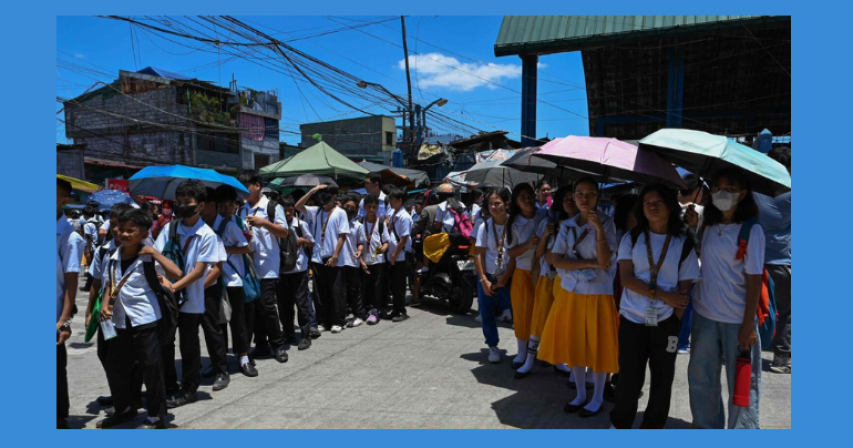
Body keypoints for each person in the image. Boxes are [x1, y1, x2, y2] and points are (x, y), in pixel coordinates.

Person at [609, 184, 701, 429]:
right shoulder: (633, 237)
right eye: (647, 201)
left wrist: (674, 318)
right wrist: (662, 295)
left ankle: (652, 427)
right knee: (629, 377)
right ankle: (620, 424)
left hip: (666, 323)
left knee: (663, 378)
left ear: (671, 206)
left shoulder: (683, 243)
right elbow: (626, 279)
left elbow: (684, 289)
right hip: (632, 319)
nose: (652, 205)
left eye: (658, 200)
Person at [686, 168, 765, 429]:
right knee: (701, 380)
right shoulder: (708, 225)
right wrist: (693, 228)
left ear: (742, 194)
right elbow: (705, 259)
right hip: (704, 316)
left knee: (742, 387)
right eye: (717, 187)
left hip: (737, 321)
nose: (722, 192)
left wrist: (748, 326)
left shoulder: (752, 230)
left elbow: (754, 279)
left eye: (729, 188)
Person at [539, 177, 619, 418]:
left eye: (590, 193)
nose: (585, 198)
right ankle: (581, 393)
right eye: (580, 193)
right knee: (575, 342)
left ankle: (597, 397)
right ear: (573, 197)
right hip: (572, 291)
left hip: (598, 293)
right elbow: (556, 259)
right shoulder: (568, 225)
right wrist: (587, 262)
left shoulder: (607, 223)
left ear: (598, 197)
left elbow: (605, 261)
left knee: (598, 345)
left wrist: (599, 231)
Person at [97, 209, 182, 429]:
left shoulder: (147, 258)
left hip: (145, 320)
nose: (123, 234)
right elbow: (110, 284)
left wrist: (154, 253)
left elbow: (176, 273)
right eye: (121, 229)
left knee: (151, 368)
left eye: (130, 230)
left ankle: (156, 415)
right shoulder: (113, 256)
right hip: (118, 321)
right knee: (116, 368)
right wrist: (105, 305)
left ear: (144, 233)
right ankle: (124, 409)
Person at [154, 180, 221, 408]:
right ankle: (169, 385)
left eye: (187, 203)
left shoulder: (207, 235)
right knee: (165, 342)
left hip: (191, 298)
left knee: (189, 344)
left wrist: (175, 286)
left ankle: (190, 388)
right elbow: (158, 257)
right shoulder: (169, 228)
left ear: (201, 205)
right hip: (167, 296)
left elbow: (200, 271)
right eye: (179, 202)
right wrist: (164, 283)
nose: (182, 206)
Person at [515, 185, 577, 378]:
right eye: (564, 197)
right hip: (547, 277)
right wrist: (548, 235)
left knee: (562, 323)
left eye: (571, 197)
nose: (568, 200)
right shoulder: (548, 222)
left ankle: (558, 360)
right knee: (540, 319)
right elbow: (541, 253)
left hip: (569, 281)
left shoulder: (581, 224)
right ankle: (529, 361)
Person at [237, 172, 290, 364]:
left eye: (246, 187)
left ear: (257, 185)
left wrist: (264, 223)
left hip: (268, 265)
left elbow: (284, 233)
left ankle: (278, 345)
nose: (243, 192)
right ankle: (261, 345)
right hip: (248, 266)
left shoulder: (272, 207)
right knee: (254, 307)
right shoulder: (241, 210)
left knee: (267, 305)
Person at [212, 185, 258, 376]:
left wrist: (223, 250)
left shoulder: (232, 224)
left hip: (233, 279)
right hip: (216, 279)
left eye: (230, 205)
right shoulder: (210, 223)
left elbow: (247, 248)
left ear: (235, 206)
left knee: (238, 320)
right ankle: (221, 360)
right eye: (222, 205)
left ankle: (243, 357)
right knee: (219, 322)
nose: (226, 209)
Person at [754, 147, 791, 374]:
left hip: (754, 260)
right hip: (784, 261)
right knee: (786, 312)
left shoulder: (754, 192)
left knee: (752, 307)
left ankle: (746, 350)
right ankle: (781, 358)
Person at [296, 183, 350, 333]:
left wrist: (335, 255)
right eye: (320, 195)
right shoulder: (316, 211)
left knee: (336, 291)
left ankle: (337, 320)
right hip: (318, 257)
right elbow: (298, 205)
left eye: (325, 195)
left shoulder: (340, 212)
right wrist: (312, 190)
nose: (322, 198)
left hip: (334, 259)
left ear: (334, 196)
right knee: (320, 292)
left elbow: (342, 236)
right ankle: (323, 320)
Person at [474, 188, 516, 364]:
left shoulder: (513, 225)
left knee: (517, 312)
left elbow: (515, 255)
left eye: (497, 203)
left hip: (510, 276)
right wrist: (483, 279)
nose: (493, 207)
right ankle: (492, 346)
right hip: (489, 276)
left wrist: (505, 277)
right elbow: (479, 254)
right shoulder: (484, 226)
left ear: (506, 204)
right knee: (487, 313)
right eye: (490, 203)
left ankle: (525, 348)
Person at [57, 178, 85, 429]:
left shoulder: (69, 237)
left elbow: (71, 281)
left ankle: (58, 418)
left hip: (53, 316)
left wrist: (65, 321)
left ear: (64, 200)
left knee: (54, 372)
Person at [504, 183, 540, 371]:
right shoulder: (514, 223)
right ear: (516, 203)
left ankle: (539, 351)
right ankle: (521, 352)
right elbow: (511, 253)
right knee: (522, 313)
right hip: (522, 272)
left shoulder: (544, 215)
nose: (528, 200)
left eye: (530, 195)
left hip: (542, 273)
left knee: (540, 313)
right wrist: (527, 244)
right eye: (522, 197)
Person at [199, 188, 231, 391]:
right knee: (190, 332)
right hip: (185, 285)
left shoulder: (213, 231)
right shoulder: (178, 228)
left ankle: (221, 369)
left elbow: (218, 267)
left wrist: (199, 287)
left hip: (208, 285)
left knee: (213, 328)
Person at [278, 196, 316, 350]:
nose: (287, 213)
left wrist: (302, 240)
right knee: (284, 305)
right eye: (284, 210)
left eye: (290, 210)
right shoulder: (276, 226)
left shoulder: (301, 224)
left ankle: (305, 335)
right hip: (282, 270)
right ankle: (288, 333)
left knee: (301, 303)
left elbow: (312, 242)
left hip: (299, 269)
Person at [358, 194, 390, 325]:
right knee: (363, 287)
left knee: (377, 287)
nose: (371, 209)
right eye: (369, 207)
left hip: (377, 262)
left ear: (377, 208)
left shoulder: (380, 223)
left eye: (374, 207)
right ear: (364, 207)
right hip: (363, 261)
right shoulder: (360, 222)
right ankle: (365, 308)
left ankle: (375, 310)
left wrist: (383, 248)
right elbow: (355, 244)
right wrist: (361, 261)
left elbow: (386, 241)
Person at [386, 186, 413, 322]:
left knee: (400, 285)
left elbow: (403, 238)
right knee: (394, 285)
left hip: (400, 255)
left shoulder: (405, 217)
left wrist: (394, 255)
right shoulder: (394, 214)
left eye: (392, 199)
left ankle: (401, 310)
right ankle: (396, 309)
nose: (390, 202)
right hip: (394, 254)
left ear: (400, 201)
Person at [341, 194, 366, 327]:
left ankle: (358, 315)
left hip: (352, 261)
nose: (350, 209)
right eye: (347, 206)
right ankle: (342, 314)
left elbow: (361, 242)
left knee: (355, 290)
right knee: (341, 291)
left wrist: (360, 250)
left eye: (352, 207)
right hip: (339, 262)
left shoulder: (358, 226)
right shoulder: (336, 222)